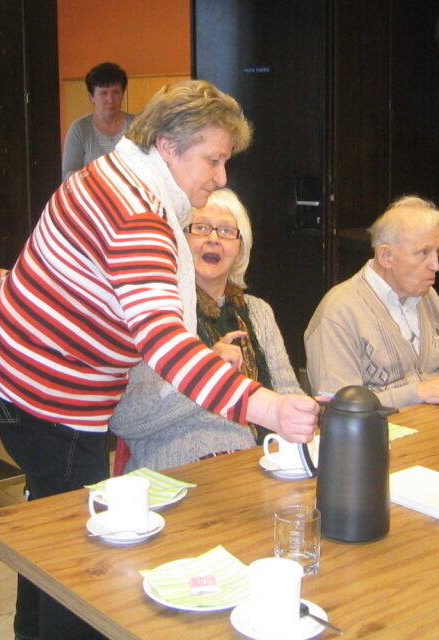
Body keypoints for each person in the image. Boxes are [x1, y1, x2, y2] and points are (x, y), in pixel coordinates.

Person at [0, 80, 319, 640]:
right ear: (167, 145)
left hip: (11, 366)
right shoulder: (141, 220)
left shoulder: (112, 172)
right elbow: (168, 343)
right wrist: (266, 406)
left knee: (48, 522)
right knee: (79, 555)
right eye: (214, 159)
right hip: (46, 394)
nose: (221, 177)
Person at [110, 188, 304, 471]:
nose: (213, 239)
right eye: (201, 228)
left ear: (240, 249)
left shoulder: (258, 311)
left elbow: (288, 392)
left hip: (259, 460)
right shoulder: (154, 312)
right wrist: (206, 372)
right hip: (179, 468)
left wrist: (306, 412)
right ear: (178, 240)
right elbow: (124, 418)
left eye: (226, 231)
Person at [304, 196, 439, 409]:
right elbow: (338, 405)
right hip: (381, 438)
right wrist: (420, 391)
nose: (436, 265)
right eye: (424, 253)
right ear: (386, 256)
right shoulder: (339, 312)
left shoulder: (428, 297)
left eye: (437, 251)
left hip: (436, 429)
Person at [61, 62, 136, 180]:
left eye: (116, 92)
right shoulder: (79, 128)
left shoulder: (138, 126)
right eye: (103, 94)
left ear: (122, 94)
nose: (110, 100)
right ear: (91, 97)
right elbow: (68, 174)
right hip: (92, 196)